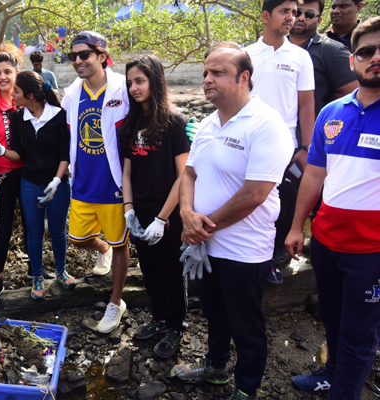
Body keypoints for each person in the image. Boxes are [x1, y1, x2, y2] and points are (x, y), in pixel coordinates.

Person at [172, 42, 293, 400]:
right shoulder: (208, 124)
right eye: (206, 72)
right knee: (213, 312)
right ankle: (216, 366)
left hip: (244, 249)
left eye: (217, 73)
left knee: (246, 324)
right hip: (206, 245)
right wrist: (185, 214)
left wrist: (200, 226)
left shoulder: (267, 125)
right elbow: (189, 175)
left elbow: (255, 193)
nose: (207, 79)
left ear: (244, 78)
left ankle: (247, 389)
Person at [285, 16, 380, 398]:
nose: (375, 57)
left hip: (371, 252)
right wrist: (297, 228)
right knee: (334, 319)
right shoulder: (331, 113)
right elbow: (314, 176)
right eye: (367, 51)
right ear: (353, 59)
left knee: (361, 333)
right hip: (326, 242)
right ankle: (332, 373)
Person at [0, 71, 76, 299]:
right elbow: (19, 154)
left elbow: (65, 153)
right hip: (30, 184)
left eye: (17, 91)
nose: (12, 94)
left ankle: (61, 271)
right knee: (34, 232)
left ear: (30, 95)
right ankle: (38, 277)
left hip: (58, 184)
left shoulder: (59, 116)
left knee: (58, 231)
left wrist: (56, 179)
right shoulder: (18, 119)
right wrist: (2, 151)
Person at [120, 55, 190, 358]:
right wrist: (129, 210)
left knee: (172, 270)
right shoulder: (131, 124)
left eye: (140, 81)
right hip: (141, 209)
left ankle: (176, 326)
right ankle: (159, 318)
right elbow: (127, 172)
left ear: (155, 81)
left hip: (169, 213)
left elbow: (184, 175)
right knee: (149, 270)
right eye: (131, 82)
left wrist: (162, 218)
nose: (134, 88)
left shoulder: (175, 122)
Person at [61, 31, 130, 334]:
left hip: (113, 185)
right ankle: (101, 248)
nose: (77, 61)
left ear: (102, 56)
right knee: (76, 237)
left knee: (120, 245)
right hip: (83, 183)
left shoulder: (121, 90)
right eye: (72, 56)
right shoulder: (72, 93)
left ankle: (116, 303)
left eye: (84, 55)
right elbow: (67, 135)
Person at [245, 0, 315, 284]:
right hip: (249, 143)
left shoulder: (300, 57)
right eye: (284, 12)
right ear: (265, 16)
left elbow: (307, 105)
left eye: (294, 12)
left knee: (282, 205)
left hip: (286, 147)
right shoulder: (245, 54)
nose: (291, 18)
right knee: (250, 202)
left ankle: (273, 259)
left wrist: (306, 148)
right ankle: (248, 259)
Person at [0, 45, 45, 310]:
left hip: (26, 173)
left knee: (32, 226)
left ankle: (33, 271)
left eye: (7, 72)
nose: (2, 77)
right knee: (3, 229)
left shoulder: (22, 101)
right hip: (3, 176)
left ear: (16, 73)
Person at [288, 0, 358, 117]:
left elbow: (353, 92)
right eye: (297, 12)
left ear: (319, 21)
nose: (301, 18)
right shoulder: (275, 47)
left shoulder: (333, 51)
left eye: (309, 14)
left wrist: (321, 107)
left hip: (314, 130)